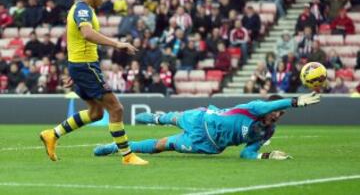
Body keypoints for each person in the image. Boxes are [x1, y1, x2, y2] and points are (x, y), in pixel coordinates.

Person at [39, 0, 148, 165]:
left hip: (80, 66)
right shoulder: (83, 9)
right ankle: (128, 156)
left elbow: (73, 38)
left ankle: (52, 134)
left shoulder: (81, 8)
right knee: (116, 108)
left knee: (96, 112)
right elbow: (87, 34)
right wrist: (117, 44)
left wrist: (74, 71)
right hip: (85, 66)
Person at [94, 93, 321, 159]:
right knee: (171, 118)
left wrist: (267, 156)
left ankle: (113, 148)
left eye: (282, 113)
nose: (278, 115)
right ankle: (154, 118)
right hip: (203, 119)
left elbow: (247, 154)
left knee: (162, 146)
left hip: (206, 143)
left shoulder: (268, 130)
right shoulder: (255, 107)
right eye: (276, 111)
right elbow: (277, 103)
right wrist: (294, 102)